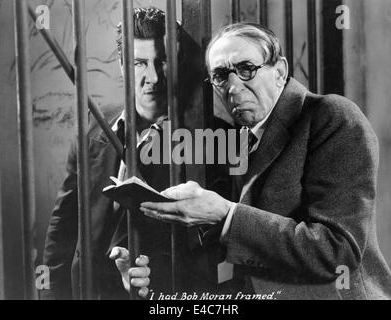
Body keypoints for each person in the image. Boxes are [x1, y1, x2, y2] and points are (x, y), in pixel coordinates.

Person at [139, 22, 391, 299]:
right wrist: (151, 275)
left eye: (246, 68)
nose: (233, 87)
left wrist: (226, 214)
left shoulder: (331, 115)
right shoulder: (240, 138)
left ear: (280, 71)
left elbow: (337, 250)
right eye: (221, 76)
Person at [42, 7, 229, 300]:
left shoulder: (214, 137)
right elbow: (62, 227)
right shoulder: (93, 127)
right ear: (121, 64)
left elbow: (216, 249)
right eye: (139, 63)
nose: (152, 77)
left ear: (177, 62)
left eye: (162, 61)